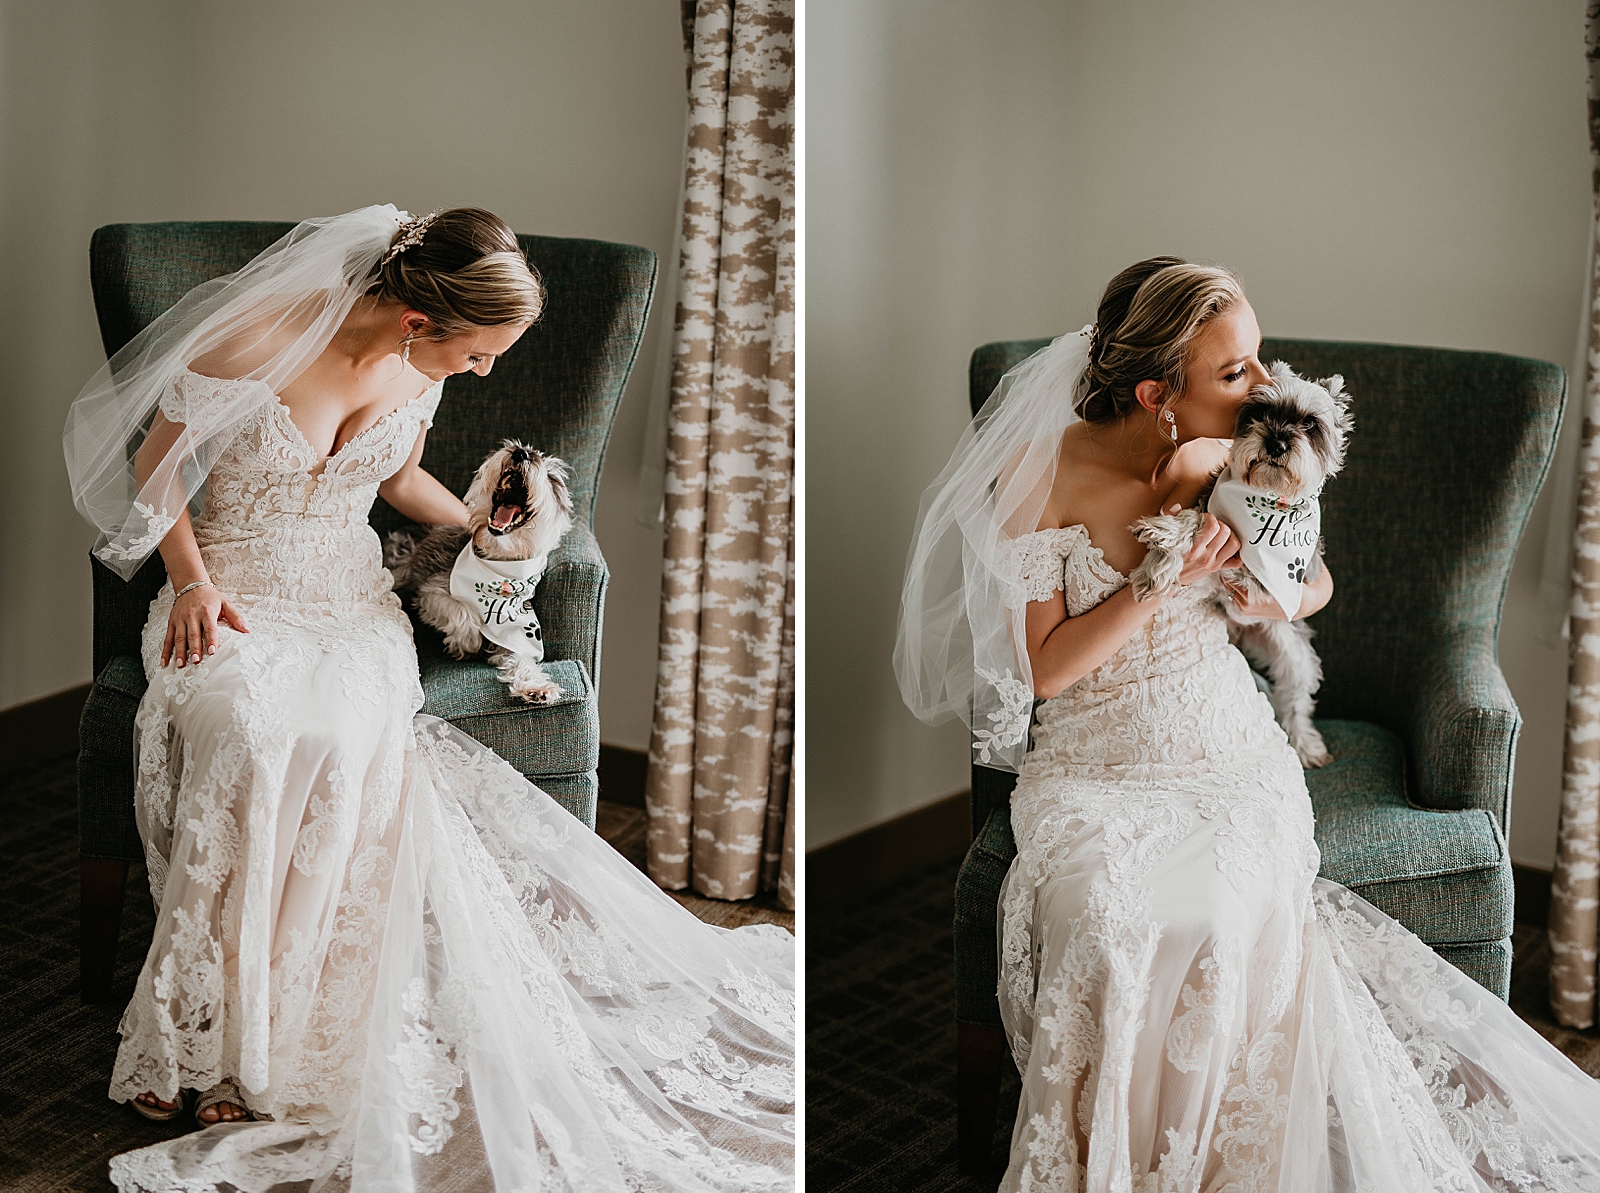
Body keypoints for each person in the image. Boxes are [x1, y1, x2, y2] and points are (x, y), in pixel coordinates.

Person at [64, 205, 794, 1192]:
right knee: (247, 731)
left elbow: (400, 478)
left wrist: (488, 538)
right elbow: (156, 468)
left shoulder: (422, 368)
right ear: (417, 320)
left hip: (348, 603)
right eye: (479, 352)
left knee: (334, 732)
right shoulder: (255, 342)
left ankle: (262, 1041)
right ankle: (194, 1028)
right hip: (229, 592)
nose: (483, 371)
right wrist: (191, 582)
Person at [896, 257, 1600, 1190]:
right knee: (1109, 923)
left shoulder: (1229, 461)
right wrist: (1165, 582)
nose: (1265, 387)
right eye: (1236, 373)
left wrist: (1276, 599)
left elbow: (1316, 579)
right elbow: (1048, 670)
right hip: (1094, 759)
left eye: (1258, 359)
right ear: (1159, 394)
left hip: (1222, 746)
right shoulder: (1038, 475)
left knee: (1221, 916)